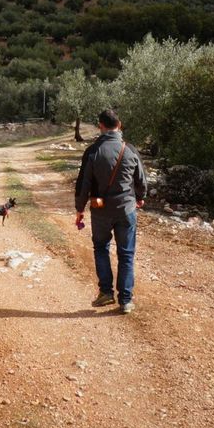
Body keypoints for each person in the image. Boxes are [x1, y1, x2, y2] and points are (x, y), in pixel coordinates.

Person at [74, 108, 147, 314]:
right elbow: (141, 179)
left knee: (101, 248)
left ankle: (106, 292)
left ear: (101, 126)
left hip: (101, 211)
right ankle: (125, 300)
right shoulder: (130, 149)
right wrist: (140, 198)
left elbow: (83, 183)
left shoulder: (92, 151)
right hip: (126, 209)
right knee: (126, 254)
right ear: (119, 125)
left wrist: (80, 209)